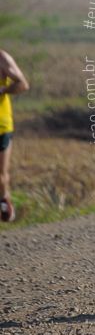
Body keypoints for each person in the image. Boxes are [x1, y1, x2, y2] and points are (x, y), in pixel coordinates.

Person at [0, 50, 29, 222]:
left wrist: (3, 89)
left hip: (1, 126)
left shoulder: (2, 58)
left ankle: (4, 199)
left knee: (1, 175)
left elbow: (23, 85)